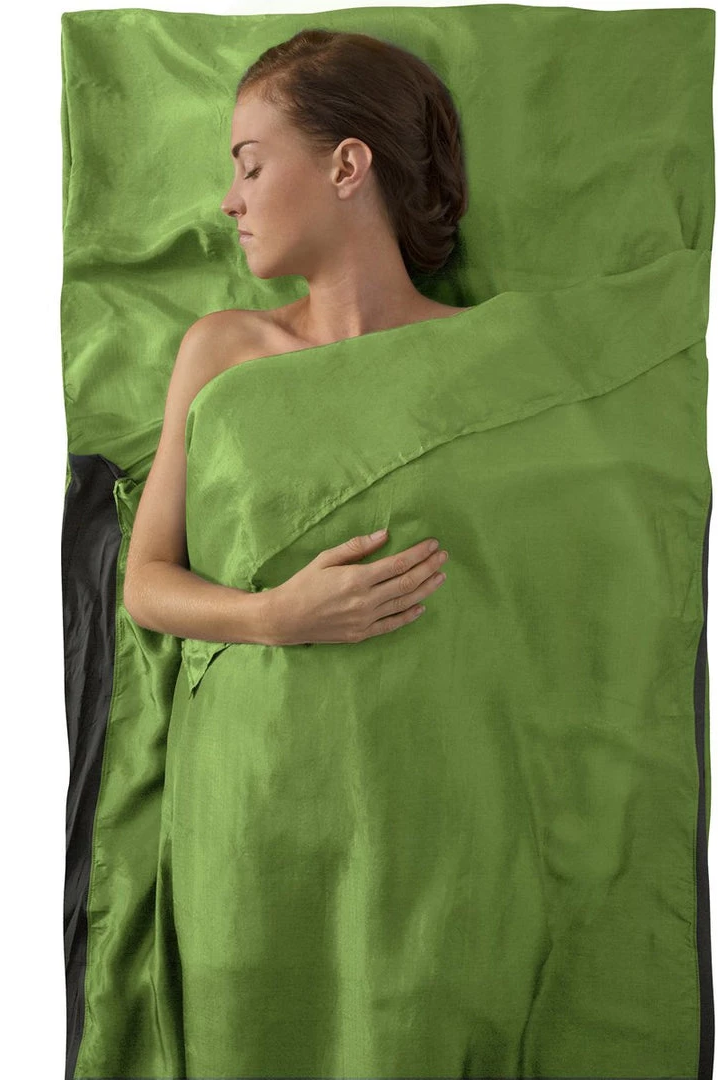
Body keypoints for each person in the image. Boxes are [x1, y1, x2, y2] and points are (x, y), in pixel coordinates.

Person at [123, 28, 472, 647]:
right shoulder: (222, 347)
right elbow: (146, 582)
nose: (229, 201)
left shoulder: (477, 347)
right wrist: (271, 617)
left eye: (252, 168)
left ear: (346, 167)